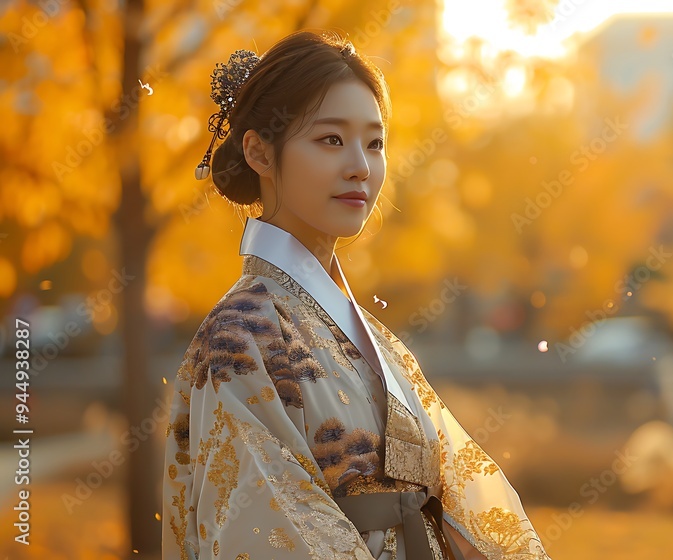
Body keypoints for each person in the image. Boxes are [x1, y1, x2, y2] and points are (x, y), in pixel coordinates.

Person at [162, 30, 551, 560]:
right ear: (259, 151)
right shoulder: (240, 336)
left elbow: (463, 494)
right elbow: (265, 526)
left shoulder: (362, 330)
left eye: (374, 143)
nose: (360, 167)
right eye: (330, 140)